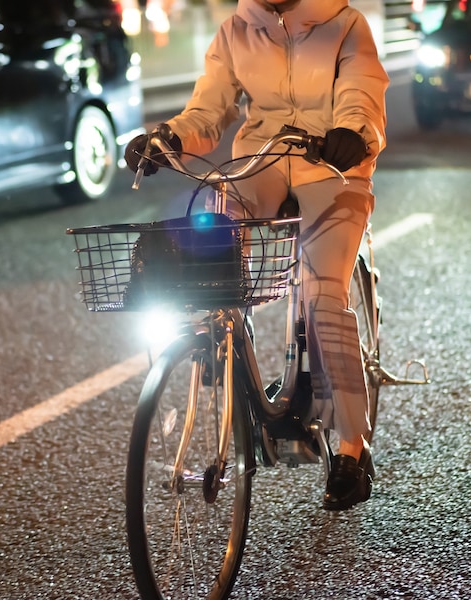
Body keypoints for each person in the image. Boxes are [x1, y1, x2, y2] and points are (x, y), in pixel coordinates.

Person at [125, 0, 389, 511]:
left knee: (321, 295)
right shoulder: (236, 30)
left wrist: (353, 135)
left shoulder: (345, 24)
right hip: (261, 161)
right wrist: (170, 137)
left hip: (332, 166)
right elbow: (210, 109)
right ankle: (227, 344)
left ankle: (354, 447)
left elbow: (361, 96)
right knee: (217, 219)